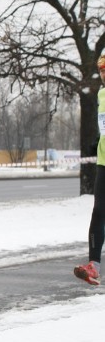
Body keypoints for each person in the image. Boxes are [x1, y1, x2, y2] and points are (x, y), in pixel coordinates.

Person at [75, 54, 105, 286]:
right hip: (104, 162)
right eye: (101, 69)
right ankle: (93, 266)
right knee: (99, 211)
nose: (103, 73)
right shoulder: (102, 95)